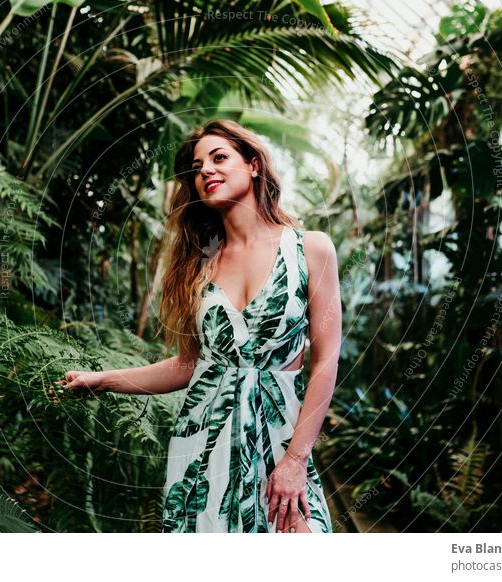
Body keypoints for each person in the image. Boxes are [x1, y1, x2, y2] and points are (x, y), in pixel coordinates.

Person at [49, 119, 341, 533]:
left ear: (254, 165)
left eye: (219, 157)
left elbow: (326, 360)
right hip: (202, 444)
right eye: (197, 167)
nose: (205, 170)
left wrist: (294, 461)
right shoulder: (199, 267)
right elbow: (192, 366)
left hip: (280, 440)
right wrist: (104, 379)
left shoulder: (310, 248)